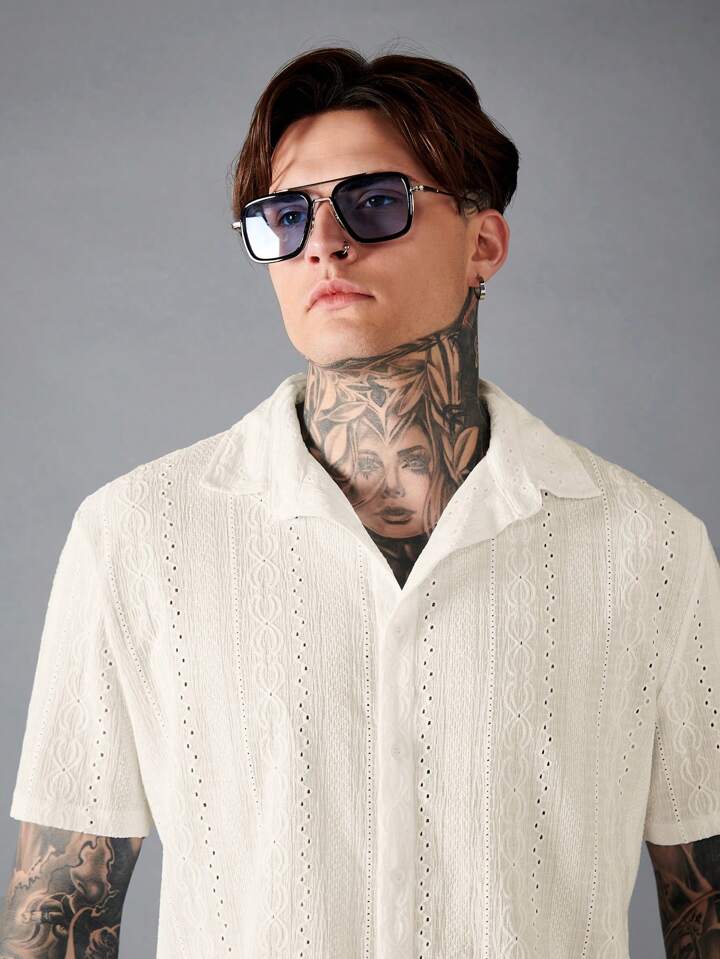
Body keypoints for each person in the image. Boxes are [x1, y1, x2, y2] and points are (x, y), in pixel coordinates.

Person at [3, 45, 720, 959]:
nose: (324, 242)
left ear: (483, 244)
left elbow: (705, 908)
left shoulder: (650, 549)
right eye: (284, 215)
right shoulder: (136, 538)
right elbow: (62, 903)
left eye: (375, 202)